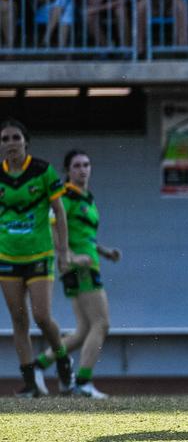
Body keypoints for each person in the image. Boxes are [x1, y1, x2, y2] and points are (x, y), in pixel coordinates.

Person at [37, 150, 121, 398]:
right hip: (80, 268)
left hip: (89, 263)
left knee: (84, 330)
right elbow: (53, 227)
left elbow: (83, 235)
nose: (83, 169)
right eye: (77, 166)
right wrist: (69, 256)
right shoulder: (66, 196)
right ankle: (83, 382)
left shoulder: (87, 198)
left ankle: (39, 365)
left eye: (86, 164)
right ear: (67, 171)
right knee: (102, 323)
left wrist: (104, 252)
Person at [0, 119, 74, 397]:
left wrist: (63, 251)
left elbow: (60, 212)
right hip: (7, 255)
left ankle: (64, 361)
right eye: (5, 139)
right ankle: (31, 382)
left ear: (25, 142)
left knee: (42, 316)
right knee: (19, 320)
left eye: (15, 138)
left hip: (40, 254)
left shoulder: (43, 171)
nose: (10, 143)